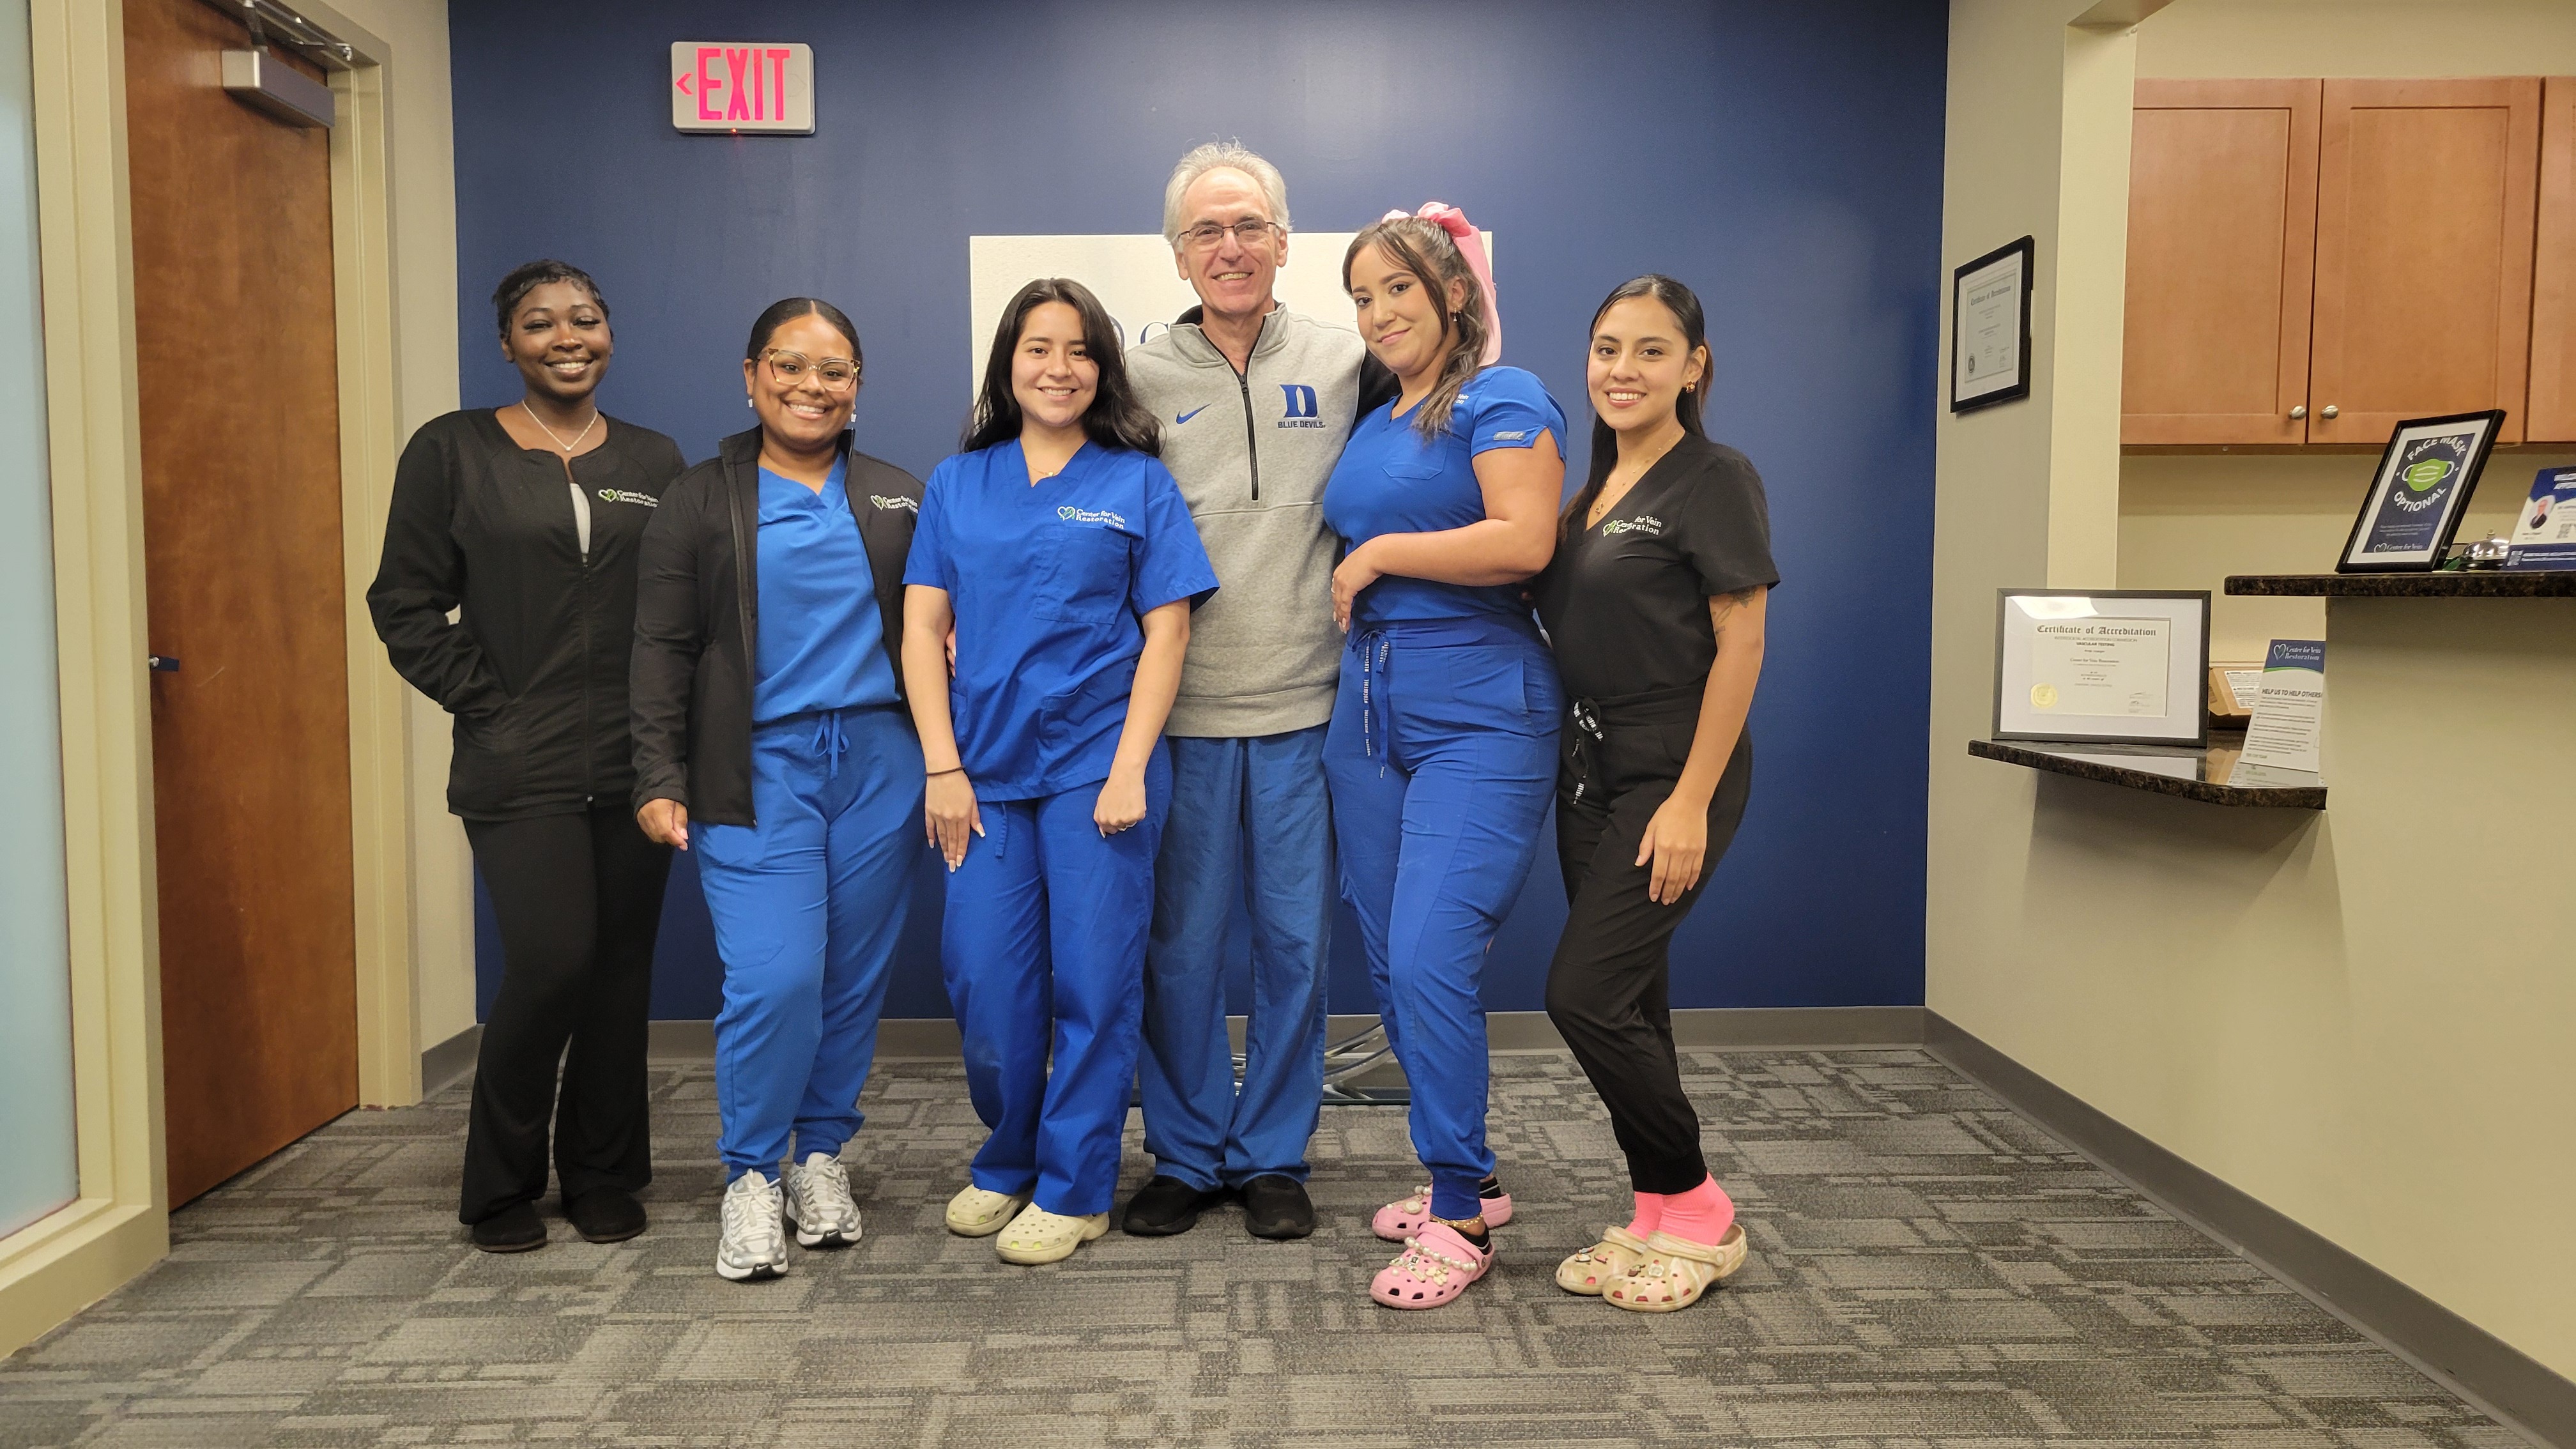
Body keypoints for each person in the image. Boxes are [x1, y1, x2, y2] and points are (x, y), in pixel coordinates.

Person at [369, 259, 686, 1254]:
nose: (566, 337)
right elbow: (404, 603)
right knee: (551, 961)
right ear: (506, 343)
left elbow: (680, 609)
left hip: (636, 759)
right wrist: (489, 701)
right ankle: (500, 1186)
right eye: (540, 323)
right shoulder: (452, 451)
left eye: (585, 319)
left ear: (609, 333)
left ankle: (599, 1174)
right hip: (517, 761)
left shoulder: (652, 455)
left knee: (619, 971)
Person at [903, 278, 1217, 1268]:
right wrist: (941, 767)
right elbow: (921, 630)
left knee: (1094, 982)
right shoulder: (960, 483)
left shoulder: (1137, 483)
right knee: (987, 986)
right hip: (983, 773)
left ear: (1103, 369)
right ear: (1008, 363)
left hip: (1099, 770)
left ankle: (1078, 1187)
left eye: (1080, 351)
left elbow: (1167, 635)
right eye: (1038, 348)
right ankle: (1008, 1160)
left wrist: (1129, 768)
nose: (1059, 368)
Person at [1119, 142, 1395, 1241]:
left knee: (1293, 945)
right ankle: (1186, 1152)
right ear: (1178, 255)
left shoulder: (1348, 358)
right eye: (1205, 232)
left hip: (1309, 708)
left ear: (1284, 242)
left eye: (1247, 228)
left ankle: (1274, 1150)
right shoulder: (1133, 379)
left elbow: (1440, 439)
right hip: (1177, 713)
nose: (1228, 249)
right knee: (1179, 946)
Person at [629, 298, 925, 1283]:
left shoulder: (896, 495)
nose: (811, 386)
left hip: (882, 759)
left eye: (834, 370)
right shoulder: (701, 497)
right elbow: (662, 647)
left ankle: (819, 1158)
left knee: (849, 980)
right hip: (752, 765)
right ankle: (750, 1174)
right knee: (776, 976)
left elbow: (939, 626)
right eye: (789, 367)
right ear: (751, 376)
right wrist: (657, 773)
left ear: (858, 387)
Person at [1320, 210, 1566, 1310]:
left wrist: (1378, 551)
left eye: (1400, 291)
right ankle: (1467, 1168)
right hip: (1367, 710)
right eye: (1363, 297)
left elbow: (1525, 538)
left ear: (1455, 293)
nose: (1379, 315)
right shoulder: (1382, 416)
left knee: (1429, 953)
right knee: (1386, 958)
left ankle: (1459, 1213)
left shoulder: (1503, 397)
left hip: (1480, 706)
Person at [1535, 275, 1774, 1313]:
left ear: (1694, 366)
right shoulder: (1589, 494)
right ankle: (1653, 1213)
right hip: (1586, 773)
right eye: (1605, 349)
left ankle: (1701, 1207)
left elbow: (1743, 643)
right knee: (1634, 1000)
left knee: (1581, 995)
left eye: (1649, 350)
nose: (1622, 371)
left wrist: (1689, 799)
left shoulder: (1713, 477)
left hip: (1674, 770)